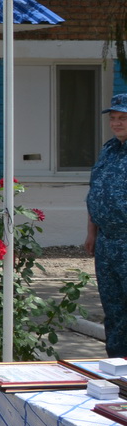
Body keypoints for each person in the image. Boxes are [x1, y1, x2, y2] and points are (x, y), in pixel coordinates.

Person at [86, 92, 127, 358]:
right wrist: (91, 232)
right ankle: (118, 369)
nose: (116, 123)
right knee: (113, 308)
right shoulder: (109, 149)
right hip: (106, 242)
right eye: (113, 118)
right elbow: (94, 192)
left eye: (122, 118)